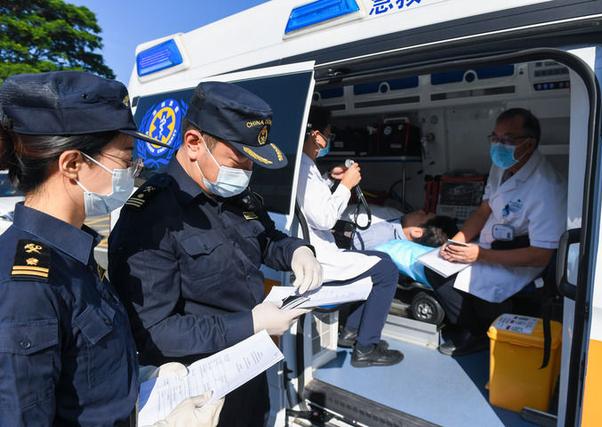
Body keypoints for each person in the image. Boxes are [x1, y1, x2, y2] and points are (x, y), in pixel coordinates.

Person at [108, 81, 323, 427]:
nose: (247, 172)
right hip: (198, 398)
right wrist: (251, 322)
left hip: (250, 371)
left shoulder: (235, 196)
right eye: (240, 159)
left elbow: (266, 239)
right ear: (194, 143)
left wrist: (298, 251)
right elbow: (154, 332)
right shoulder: (151, 217)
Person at [0, 71, 164, 425]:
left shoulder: (71, 253)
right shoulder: (27, 287)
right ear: (73, 164)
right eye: (126, 160)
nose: (134, 173)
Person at [425, 108, 567, 356]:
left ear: (529, 143)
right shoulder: (502, 167)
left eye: (507, 139)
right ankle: (474, 326)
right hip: (488, 248)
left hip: (520, 260)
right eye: (495, 138)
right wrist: (454, 244)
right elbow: (483, 211)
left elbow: (541, 256)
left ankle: (479, 333)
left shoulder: (547, 187)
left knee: (470, 281)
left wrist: (478, 255)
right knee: (434, 267)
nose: (499, 146)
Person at [297, 106, 404, 367]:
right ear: (317, 136)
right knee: (387, 270)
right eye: (329, 133)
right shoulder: (303, 167)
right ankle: (366, 348)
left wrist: (331, 180)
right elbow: (323, 218)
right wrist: (346, 186)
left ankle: (352, 332)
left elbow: (312, 199)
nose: (330, 139)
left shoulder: (303, 166)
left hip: (316, 251)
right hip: (318, 258)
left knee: (373, 263)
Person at [352, 210, 459, 250]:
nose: (421, 210)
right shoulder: (398, 217)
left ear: (417, 232)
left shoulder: (380, 235)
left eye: (424, 214)